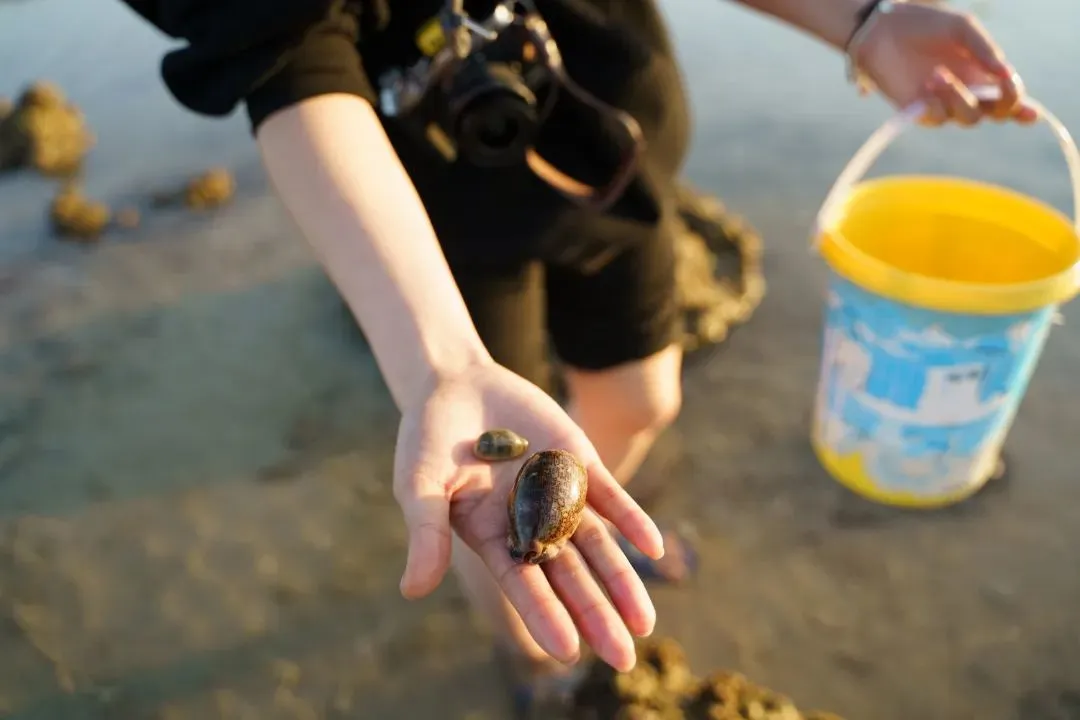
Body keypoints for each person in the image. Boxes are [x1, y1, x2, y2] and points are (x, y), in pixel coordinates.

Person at [119, 0, 1036, 712]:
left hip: (616, 160)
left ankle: (602, 526)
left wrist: (862, 19)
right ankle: (524, 651)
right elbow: (285, 50)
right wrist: (440, 366)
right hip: (433, 230)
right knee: (478, 490)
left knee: (643, 398)